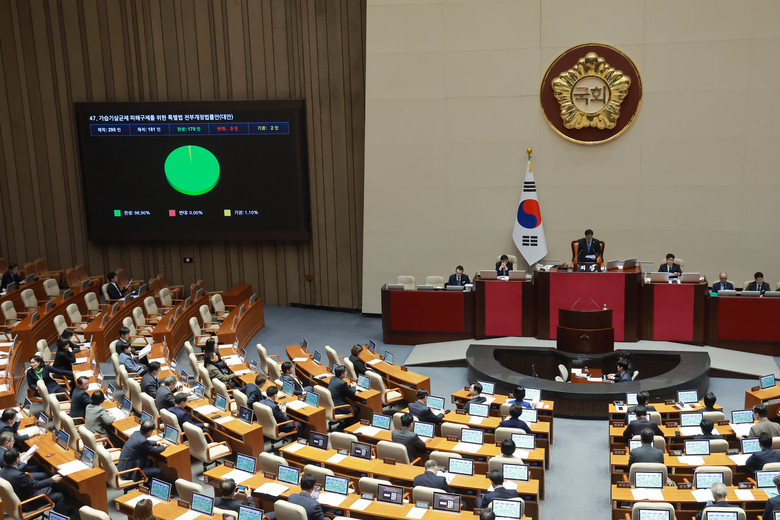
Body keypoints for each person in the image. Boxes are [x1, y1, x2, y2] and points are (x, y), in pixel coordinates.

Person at [0, 448, 67, 513]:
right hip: (28, 503)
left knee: (48, 486)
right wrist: (52, 479)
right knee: (59, 496)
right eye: (20, 456)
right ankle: (64, 515)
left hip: (16, 499)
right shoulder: (19, 475)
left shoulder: (2, 472)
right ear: (17, 460)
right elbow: (36, 485)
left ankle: (60, 507)